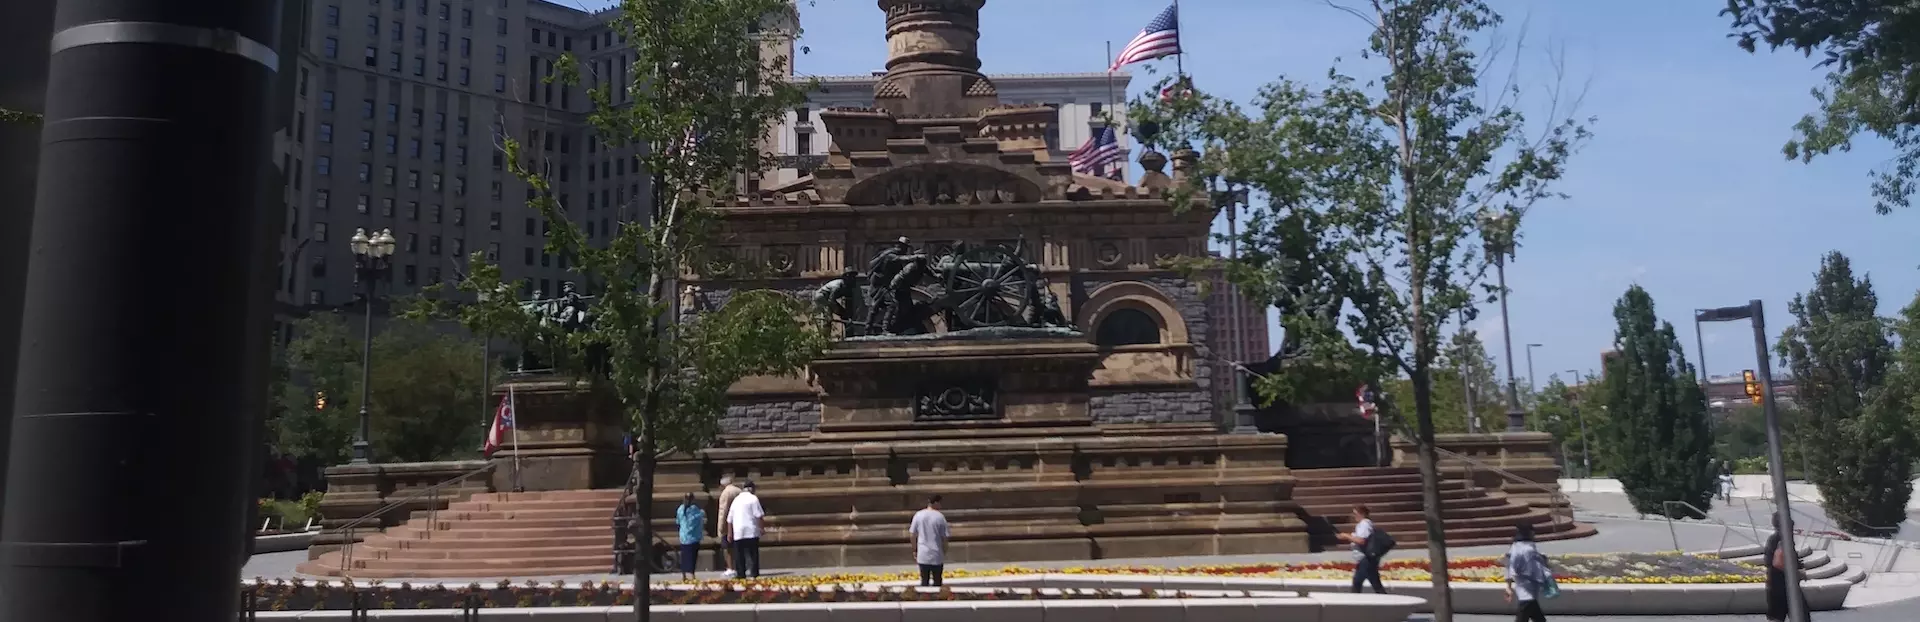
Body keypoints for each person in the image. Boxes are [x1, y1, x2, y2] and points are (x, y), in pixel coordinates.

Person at [1505, 523, 1553, 622]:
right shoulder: (1529, 549)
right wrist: (1543, 561)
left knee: (1537, 616)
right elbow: (1534, 568)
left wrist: (1508, 587)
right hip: (1528, 587)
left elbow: (1509, 566)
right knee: (1525, 614)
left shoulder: (1515, 547)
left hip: (1522, 586)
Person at [1339, 504, 1386, 594]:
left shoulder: (1364, 524)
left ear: (1362, 514)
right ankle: (1385, 598)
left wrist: (1347, 536)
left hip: (1366, 558)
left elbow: (1361, 540)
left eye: (1355, 514)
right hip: (1367, 558)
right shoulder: (1364, 524)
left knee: (1357, 582)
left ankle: (1355, 599)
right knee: (1375, 583)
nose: (1354, 516)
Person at [1764, 515, 1802, 622]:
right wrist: (1796, 568)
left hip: (1776, 580)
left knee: (1778, 612)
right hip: (1781, 580)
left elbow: (1768, 560)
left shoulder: (1775, 538)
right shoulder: (1781, 539)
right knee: (1789, 610)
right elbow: (1779, 561)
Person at [909, 495, 951, 587]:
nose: (941, 506)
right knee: (937, 581)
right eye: (940, 503)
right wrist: (944, 550)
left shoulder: (918, 515)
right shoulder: (940, 517)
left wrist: (914, 549)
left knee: (924, 581)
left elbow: (912, 534)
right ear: (935, 503)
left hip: (923, 553)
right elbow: (945, 537)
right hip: (936, 553)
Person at [727, 480, 765, 579]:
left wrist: (730, 533)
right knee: (753, 554)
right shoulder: (753, 498)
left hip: (738, 531)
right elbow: (759, 515)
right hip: (751, 531)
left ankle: (741, 574)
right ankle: (754, 574)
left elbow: (729, 519)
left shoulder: (736, 500)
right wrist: (762, 528)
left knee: (739, 555)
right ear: (752, 489)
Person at [716, 476, 743, 578]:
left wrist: (721, 527)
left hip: (728, 524)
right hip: (739, 522)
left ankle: (730, 568)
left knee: (727, 548)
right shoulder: (739, 491)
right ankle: (739, 567)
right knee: (738, 547)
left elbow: (723, 511)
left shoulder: (725, 493)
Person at [675, 492, 705, 582]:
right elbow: (698, 518)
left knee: (684, 557)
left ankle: (684, 575)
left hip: (684, 537)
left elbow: (678, 522)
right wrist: (702, 512)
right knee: (692, 557)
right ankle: (691, 575)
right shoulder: (694, 509)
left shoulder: (680, 509)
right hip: (693, 537)